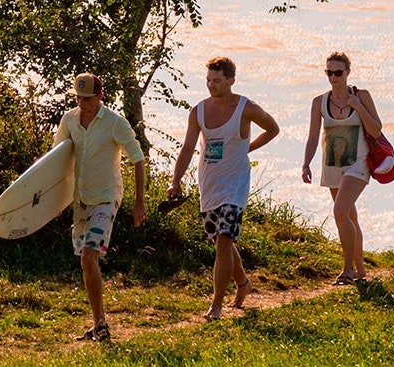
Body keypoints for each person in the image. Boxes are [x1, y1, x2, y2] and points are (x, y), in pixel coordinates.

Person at [168, 56, 280, 320]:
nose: (211, 85)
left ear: (231, 80)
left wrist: (248, 148)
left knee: (225, 240)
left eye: (217, 80)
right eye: (208, 80)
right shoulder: (198, 111)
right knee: (221, 241)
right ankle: (243, 284)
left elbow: (273, 128)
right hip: (209, 183)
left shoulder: (246, 108)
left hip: (235, 185)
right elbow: (187, 147)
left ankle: (216, 305)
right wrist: (176, 180)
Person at [52, 73, 146, 344]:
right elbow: (57, 160)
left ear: (100, 96)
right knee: (85, 261)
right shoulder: (69, 120)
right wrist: (55, 201)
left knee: (88, 257)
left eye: (88, 98)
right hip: (80, 198)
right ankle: (98, 323)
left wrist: (139, 202)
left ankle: (100, 324)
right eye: (79, 98)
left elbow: (138, 159)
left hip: (106, 197)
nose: (83, 103)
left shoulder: (116, 123)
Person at [301, 51, 382, 285]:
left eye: (338, 72)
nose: (333, 76)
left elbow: (376, 130)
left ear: (348, 73)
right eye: (329, 72)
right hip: (333, 163)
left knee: (339, 211)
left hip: (359, 162)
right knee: (348, 216)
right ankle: (360, 269)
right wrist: (306, 164)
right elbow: (313, 136)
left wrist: (358, 106)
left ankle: (346, 271)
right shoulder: (319, 102)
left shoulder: (361, 95)